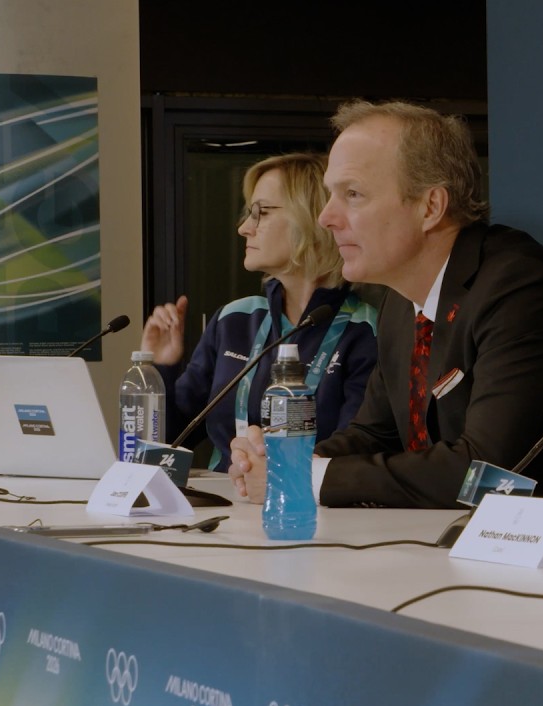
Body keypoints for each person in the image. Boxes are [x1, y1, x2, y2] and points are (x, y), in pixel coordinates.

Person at [228, 100, 543, 508]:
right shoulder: (401, 303)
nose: (326, 218)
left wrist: (309, 477)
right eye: (329, 196)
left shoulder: (521, 288)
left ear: (430, 207)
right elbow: (376, 435)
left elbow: (486, 469)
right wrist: (286, 460)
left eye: (352, 194)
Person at [142, 153, 379, 472]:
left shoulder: (366, 329)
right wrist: (161, 369)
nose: (243, 228)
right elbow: (166, 441)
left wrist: (274, 468)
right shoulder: (233, 319)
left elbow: (360, 447)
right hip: (225, 505)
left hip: (308, 507)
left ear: (311, 218)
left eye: (261, 213)